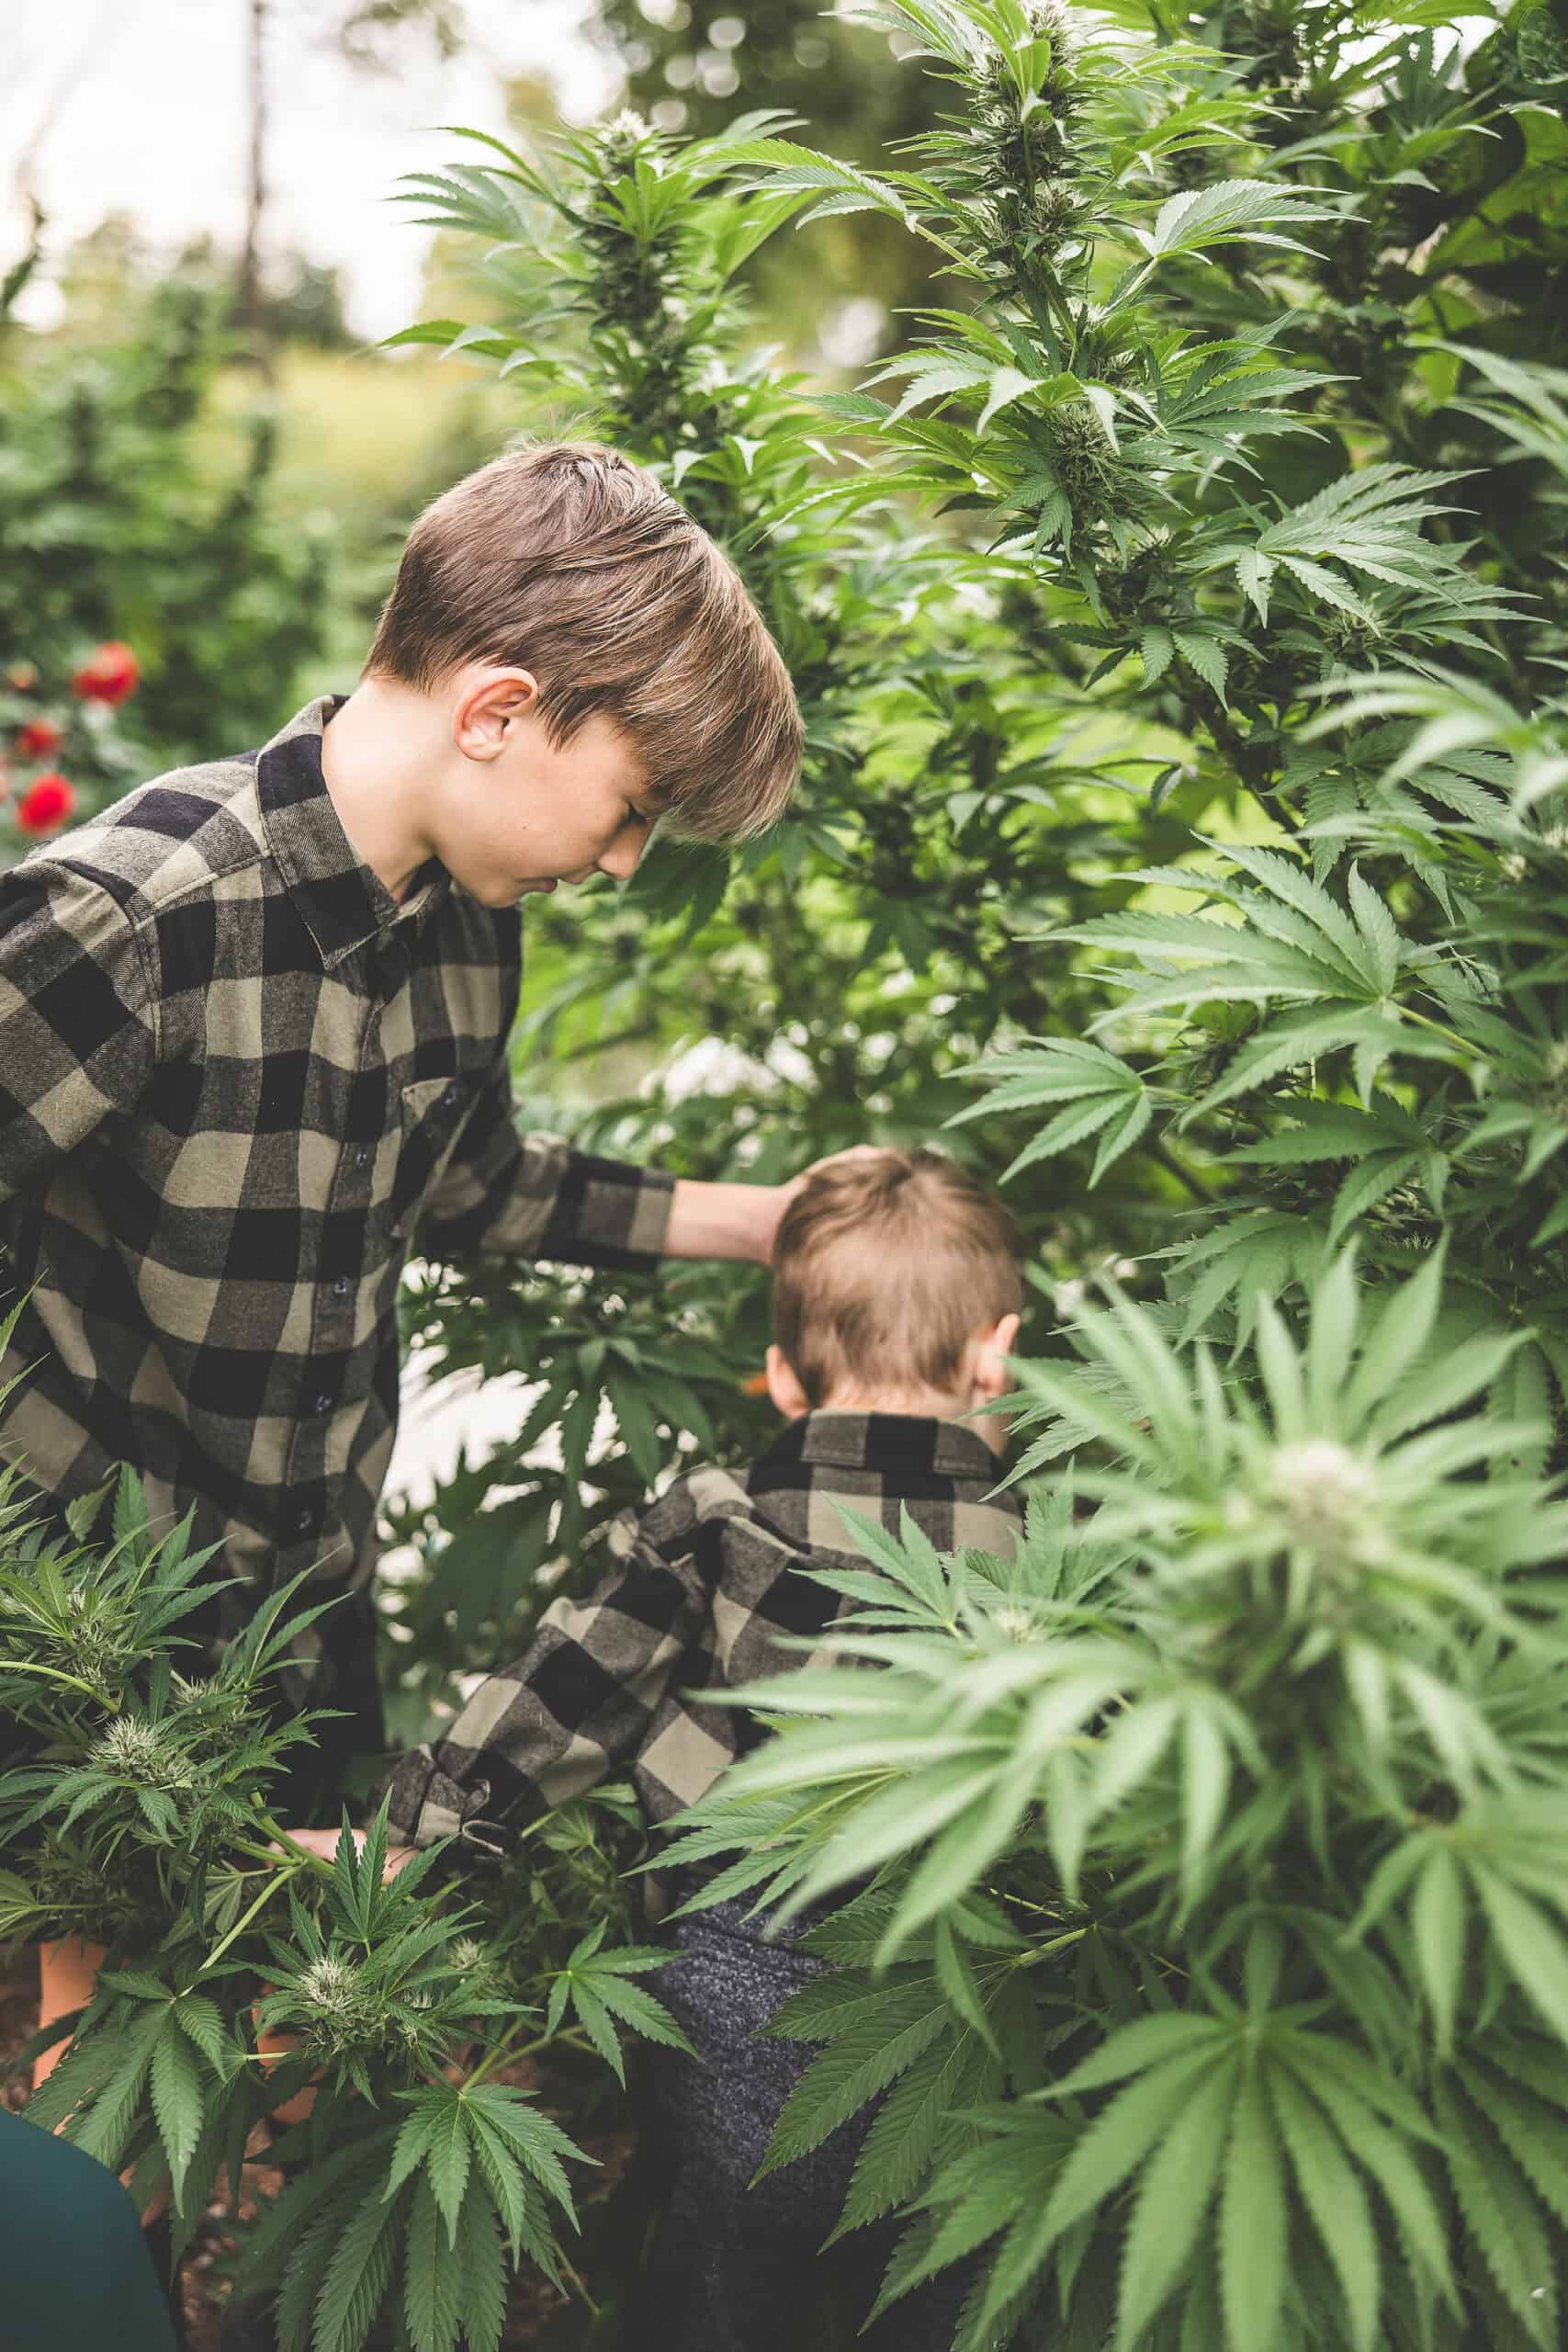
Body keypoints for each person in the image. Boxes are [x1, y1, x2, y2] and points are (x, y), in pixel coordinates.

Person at [0, 440, 815, 1812]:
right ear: (497, 709)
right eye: (632, 811)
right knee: (107, 2014)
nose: (623, 866)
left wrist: (773, 1222)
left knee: (293, 2001)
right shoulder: (137, 914)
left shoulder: (471, 931)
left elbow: (471, 1186)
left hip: (310, 1612)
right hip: (88, 1622)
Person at [299, 1148, 1025, 2349]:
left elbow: (568, 1693)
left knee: (722, 2282)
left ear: (785, 1379)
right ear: (996, 1356)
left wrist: (411, 1836)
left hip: (742, 1984)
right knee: (948, 2291)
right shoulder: (1055, 1541)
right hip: (973, 1993)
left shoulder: (722, 1516)